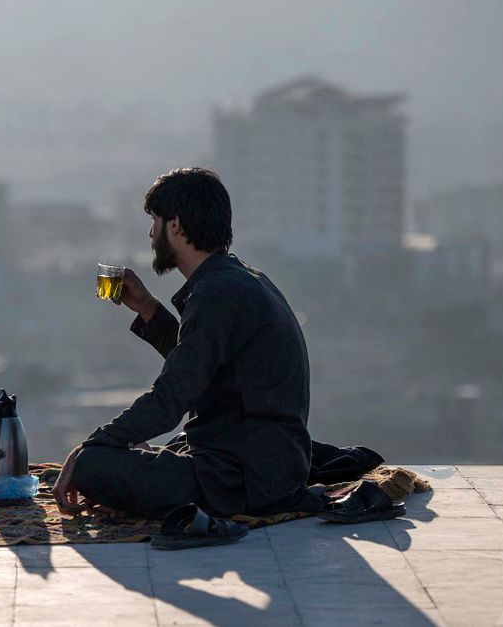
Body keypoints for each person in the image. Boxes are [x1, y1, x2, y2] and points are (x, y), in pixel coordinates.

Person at [52, 167, 319, 520]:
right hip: (263, 467)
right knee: (130, 454)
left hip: (244, 481)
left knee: (91, 466)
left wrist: (94, 445)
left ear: (175, 225)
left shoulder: (216, 294)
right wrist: (149, 310)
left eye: (155, 221)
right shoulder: (236, 279)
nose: (150, 233)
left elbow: (171, 398)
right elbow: (201, 367)